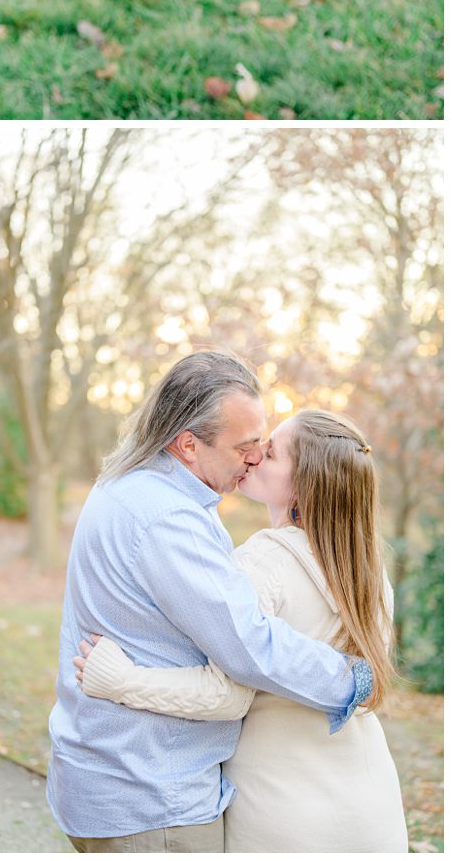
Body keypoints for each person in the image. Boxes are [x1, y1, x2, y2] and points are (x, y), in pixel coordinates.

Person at [46, 351, 376, 853]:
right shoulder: (169, 519)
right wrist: (350, 679)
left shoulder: (130, 484)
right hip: (153, 797)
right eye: (245, 446)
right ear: (188, 444)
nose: (255, 456)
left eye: (264, 445)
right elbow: (249, 646)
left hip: (114, 777)